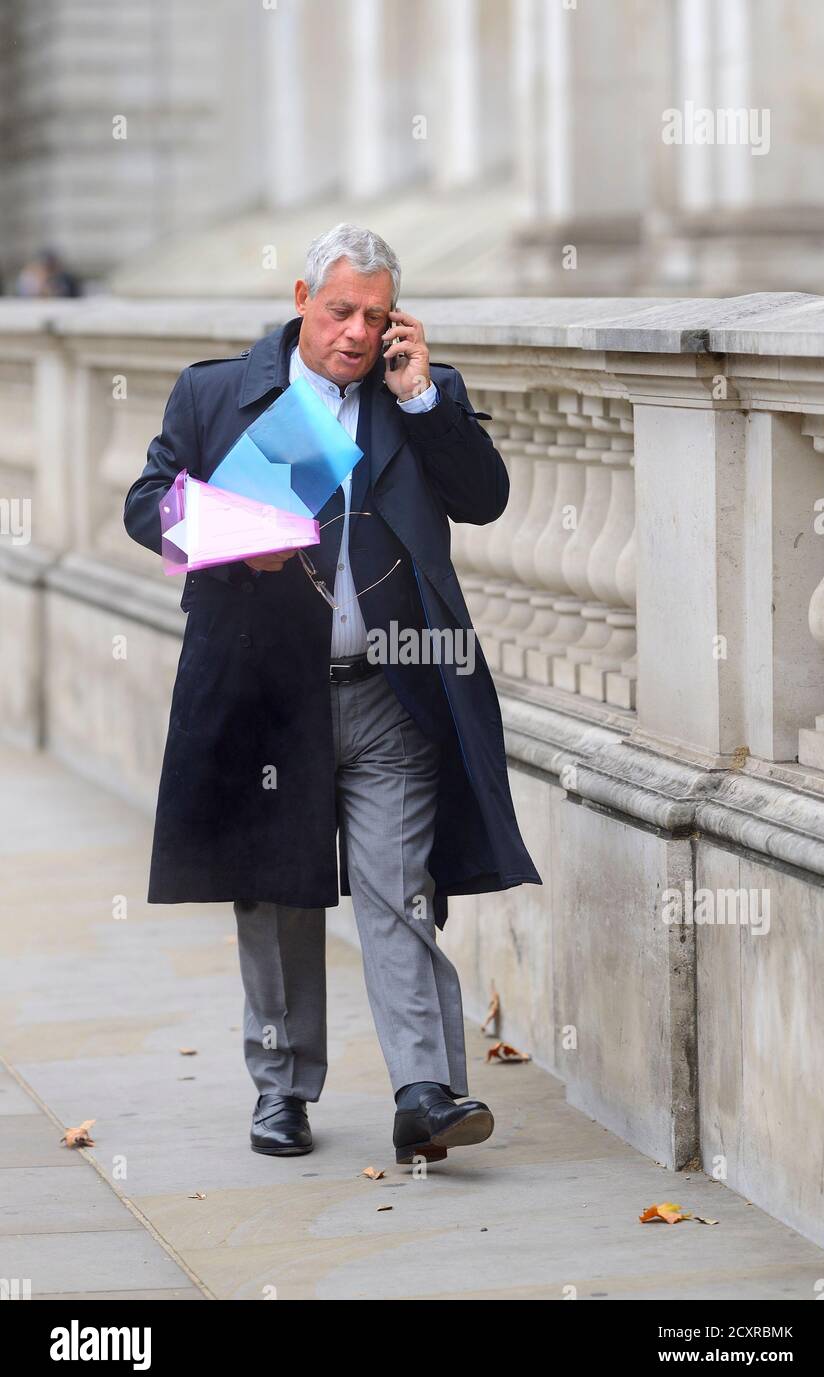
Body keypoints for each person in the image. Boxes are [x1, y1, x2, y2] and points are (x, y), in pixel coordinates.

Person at [123, 222, 542, 1165]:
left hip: (391, 687)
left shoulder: (414, 399)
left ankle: (427, 1093)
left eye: (377, 316)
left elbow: (482, 500)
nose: (357, 332)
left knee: (399, 891)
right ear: (302, 299)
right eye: (342, 309)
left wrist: (425, 396)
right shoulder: (219, 391)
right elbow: (146, 504)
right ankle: (281, 1093)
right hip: (268, 693)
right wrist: (226, 529)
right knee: (276, 898)